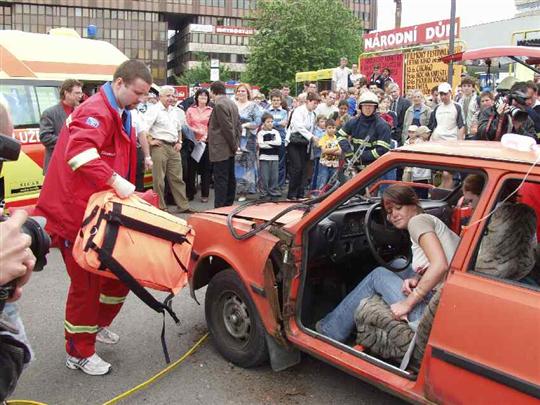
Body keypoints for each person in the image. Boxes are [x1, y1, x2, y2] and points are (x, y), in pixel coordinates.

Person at [34, 60, 152, 375]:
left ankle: (95, 326)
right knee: (86, 286)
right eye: (137, 93)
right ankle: (78, 351)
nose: (140, 100)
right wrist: (117, 182)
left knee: (116, 279)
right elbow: (79, 154)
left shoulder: (118, 112)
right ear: (119, 84)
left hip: (98, 213)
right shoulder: (97, 111)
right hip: (76, 215)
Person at [316, 184, 460, 342]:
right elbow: (445, 265)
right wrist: (417, 279)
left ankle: (329, 330)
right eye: (389, 212)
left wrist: (408, 303)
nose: (394, 216)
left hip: (429, 314)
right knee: (398, 263)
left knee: (377, 275)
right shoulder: (430, 220)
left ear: (413, 203)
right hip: (448, 302)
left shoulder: (417, 222)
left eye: (398, 208)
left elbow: (440, 265)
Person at [143, 85, 192, 213]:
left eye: (172, 96)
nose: (171, 98)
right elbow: (144, 128)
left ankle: (183, 206)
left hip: (173, 147)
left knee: (177, 178)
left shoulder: (174, 110)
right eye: (168, 96)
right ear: (160, 96)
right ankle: (160, 207)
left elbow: (179, 129)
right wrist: (151, 141)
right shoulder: (154, 110)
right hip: (160, 146)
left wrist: (180, 141)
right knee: (158, 179)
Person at [337, 91, 392, 172]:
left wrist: (360, 157)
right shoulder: (354, 122)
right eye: (365, 105)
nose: (368, 108)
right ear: (360, 107)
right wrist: (349, 152)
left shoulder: (383, 126)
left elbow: (382, 150)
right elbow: (339, 135)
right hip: (354, 167)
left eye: (370, 106)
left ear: (375, 107)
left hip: (373, 169)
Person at [207, 81, 242, 208]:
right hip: (229, 147)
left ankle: (221, 207)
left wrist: (234, 145)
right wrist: (236, 143)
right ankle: (228, 204)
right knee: (229, 178)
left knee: (221, 179)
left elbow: (227, 128)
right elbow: (238, 126)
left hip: (221, 148)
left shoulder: (219, 104)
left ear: (212, 91)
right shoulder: (232, 103)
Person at [39, 79, 83, 173]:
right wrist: (70, 142)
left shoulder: (82, 112)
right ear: (66, 93)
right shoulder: (49, 113)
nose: (80, 96)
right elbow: (45, 137)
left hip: (76, 166)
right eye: (77, 93)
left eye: (81, 93)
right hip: (56, 167)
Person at [286, 92, 320, 200]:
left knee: (304, 168)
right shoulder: (298, 111)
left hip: (304, 144)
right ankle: (291, 194)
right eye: (314, 103)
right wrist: (311, 137)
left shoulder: (313, 114)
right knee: (297, 167)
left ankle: (300, 193)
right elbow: (298, 127)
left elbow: (311, 128)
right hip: (294, 143)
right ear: (308, 101)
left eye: (317, 104)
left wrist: (312, 138)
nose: (315, 106)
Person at [234, 83, 262, 202]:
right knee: (236, 164)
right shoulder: (233, 105)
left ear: (248, 93)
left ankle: (244, 191)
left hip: (249, 139)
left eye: (243, 91)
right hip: (235, 137)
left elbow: (258, 121)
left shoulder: (253, 106)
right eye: (239, 91)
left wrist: (245, 125)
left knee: (247, 165)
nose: (241, 93)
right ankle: (236, 189)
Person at [185, 88, 213, 203]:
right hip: (193, 142)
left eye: (205, 96)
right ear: (196, 97)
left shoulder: (211, 110)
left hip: (206, 142)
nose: (203, 98)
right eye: (201, 96)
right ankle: (190, 193)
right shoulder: (190, 110)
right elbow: (186, 124)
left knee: (206, 169)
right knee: (191, 170)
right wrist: (194, 132)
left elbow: (213, 126)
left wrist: (205, 136)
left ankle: (205, 194)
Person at [257, 112, 282, 200]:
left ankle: (273, 191)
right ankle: (264, 192)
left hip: (275, 157)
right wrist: (272, 144)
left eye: (271, 121)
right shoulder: (261, 133)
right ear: (263, 123)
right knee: (264, 176)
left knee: (274, 176)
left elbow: (278, 143)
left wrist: (267, 142)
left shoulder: (276, 132)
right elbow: (261, 145)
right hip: (264, 157)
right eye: (268, 122)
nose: (270, 123)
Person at [267, 89, 288, 189]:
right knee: (270, 163)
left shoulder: (284, 112)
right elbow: (267, 124)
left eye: (277, 100)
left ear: (281, 101)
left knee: (281, 163)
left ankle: (279, 185)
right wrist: (278, 123)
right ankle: (270, 184)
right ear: (271, 100)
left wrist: (273, 123)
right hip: (269, 140)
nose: (276, 102)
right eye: (274, 100)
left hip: (281, 139)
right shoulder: (267, 111)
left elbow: (284, 124)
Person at [316, 119, 341, 190]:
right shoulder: (323, 138)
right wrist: (335, 149)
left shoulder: (336, 138)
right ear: (325, 128)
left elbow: (340, 152)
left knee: (332, 182)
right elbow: (324, 150)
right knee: (322, 181)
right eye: (329, 128)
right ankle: (318, 195)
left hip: (334, 164)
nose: (331, 130)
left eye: (333, 128)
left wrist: (330, 151)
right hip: (325, 164)